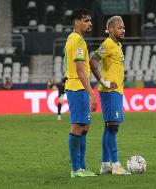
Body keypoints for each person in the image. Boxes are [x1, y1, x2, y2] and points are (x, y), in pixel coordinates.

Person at [90, 16, 131, 175]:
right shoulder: (107, 44)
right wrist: (103, 81)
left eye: (124, 27)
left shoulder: (118, 45)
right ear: (111, 29)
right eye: (120, 27)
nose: (123, 30)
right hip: (109, 91)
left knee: (109, 128)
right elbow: (93, 61)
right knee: (112, 127)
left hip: (117, 91)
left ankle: (105, 164)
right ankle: (116, 166)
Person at [64, 8, 97, 178]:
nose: (89, 23)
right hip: (77, 88)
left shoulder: (73, 38)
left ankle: (82, 167)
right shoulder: (78, 41)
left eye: (90, 20)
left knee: (84, 126)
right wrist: (91, 93)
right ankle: (76, 169)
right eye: (86, 20)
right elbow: (80, 70)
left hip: (78, 88)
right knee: (77, 126)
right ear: (77, 22)